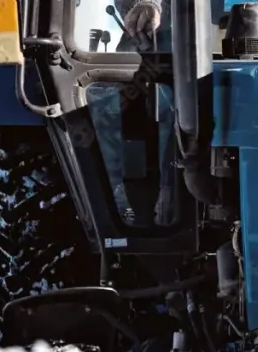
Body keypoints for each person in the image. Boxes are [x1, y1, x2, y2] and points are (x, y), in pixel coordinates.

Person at [89, 0, 178, 226]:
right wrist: (148, 4)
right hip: (152, 47)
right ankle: (118, 209)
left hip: (210, 44)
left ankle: (170, 195)